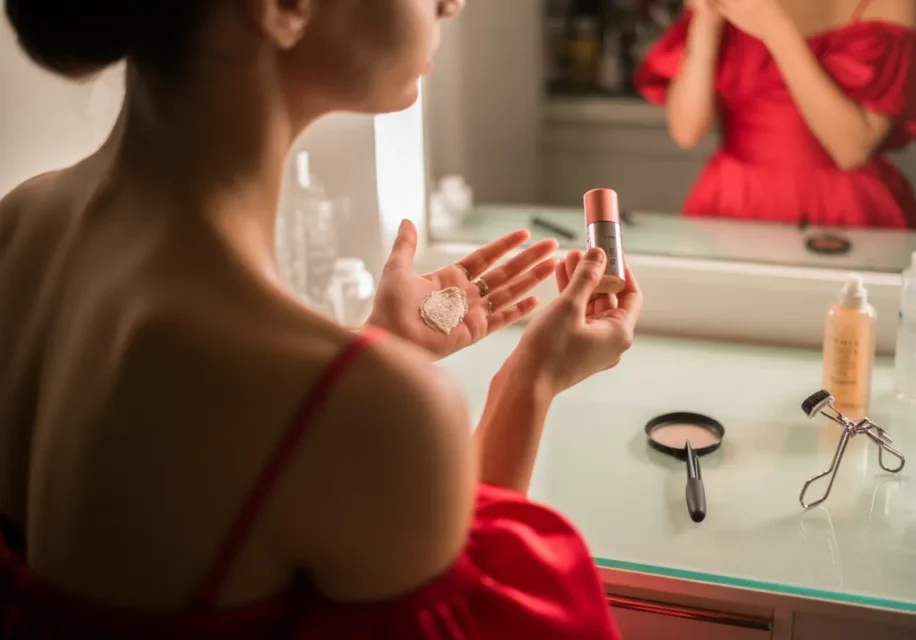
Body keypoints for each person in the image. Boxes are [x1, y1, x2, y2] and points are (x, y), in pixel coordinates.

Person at [0, 0, 642, 637]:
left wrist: (381, 351)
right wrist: (530, 380)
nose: (453, 4)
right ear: (282, 7)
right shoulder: (358, 409)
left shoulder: (20, 227)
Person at [635, 0, 916, 229]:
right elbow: (685, 132)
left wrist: (775, 28)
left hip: (844, 206)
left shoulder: (892, 4)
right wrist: (705, 19)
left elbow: (851, 149)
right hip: (733, 198)